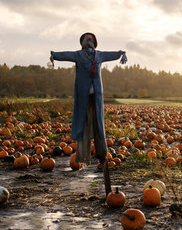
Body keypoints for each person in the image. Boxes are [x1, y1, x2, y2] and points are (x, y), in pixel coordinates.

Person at [50, 33, 127, 166]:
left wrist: (120, 53)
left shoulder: (100, 55)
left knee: (98, 122)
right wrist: (55, 55)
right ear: (83, 43)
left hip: (97, 94)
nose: (89, 42)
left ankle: (102, 155)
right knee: (83, 122)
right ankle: (83, 156)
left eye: (91, 40)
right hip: (83, 95)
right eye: (87, 40)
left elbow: (111, 54)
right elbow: (66, 55)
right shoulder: (78, 55)